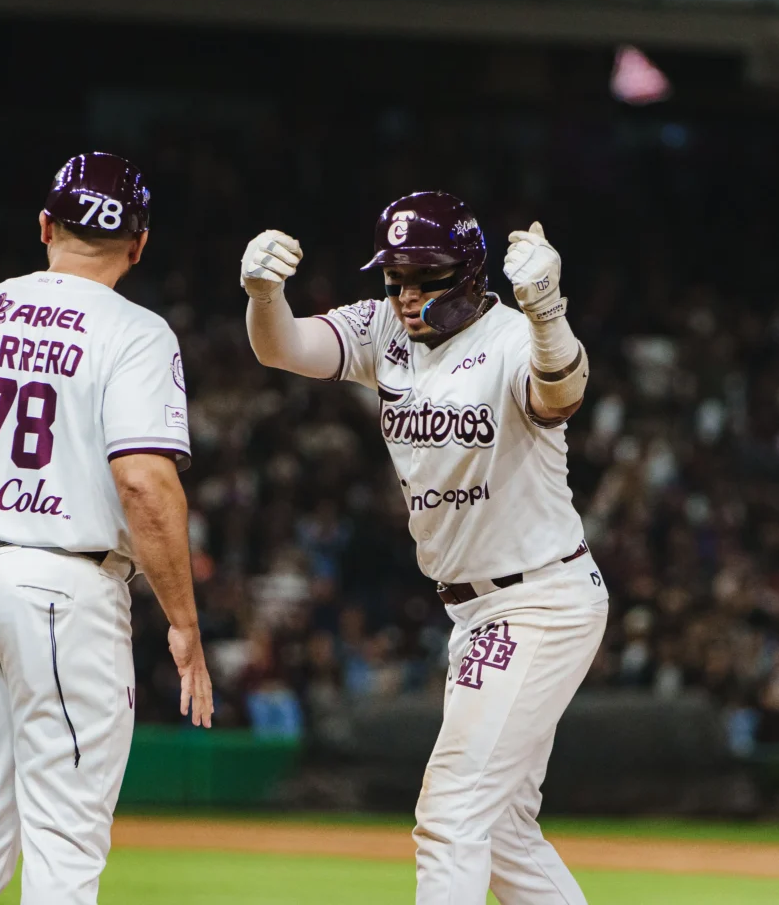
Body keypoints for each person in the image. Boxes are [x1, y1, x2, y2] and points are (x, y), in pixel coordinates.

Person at [242, 191, 607, 905]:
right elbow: (280, 347)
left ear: (468, 275)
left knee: (451, 814)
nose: (406, 295)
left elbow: (561, 395)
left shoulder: (512, 337)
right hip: (475, 609)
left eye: (425, 277)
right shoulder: (385, 328)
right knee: (502, 831)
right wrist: (263, 294)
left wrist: (546, 311)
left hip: (538, 599)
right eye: (394, 277)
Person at [0, 152, 213, 905]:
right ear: (139, 244)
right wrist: (183, 622)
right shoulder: (134, 330)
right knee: (65, 841)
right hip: (61, 587)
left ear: (46, 226)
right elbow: (143, 481)